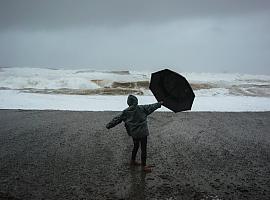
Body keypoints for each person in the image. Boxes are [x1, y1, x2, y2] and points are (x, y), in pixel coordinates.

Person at [106, 94, 163, 172]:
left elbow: (117, 119)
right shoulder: (142, 108)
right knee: (143, 149)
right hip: (143, 133)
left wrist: (109, 125)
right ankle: (144, 166)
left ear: (128, 103)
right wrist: (160, 103)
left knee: (136, 146)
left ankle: (132, 161)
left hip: (134, 134)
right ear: (136, 101)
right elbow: (152, 106)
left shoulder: (126, 112)